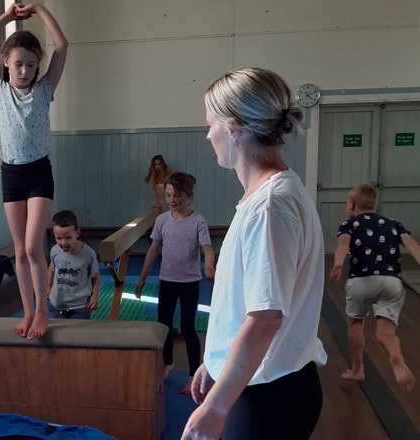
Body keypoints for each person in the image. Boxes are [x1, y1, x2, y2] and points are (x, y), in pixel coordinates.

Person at [182, 68, 327, 440]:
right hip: (261, 384)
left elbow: (264, 320)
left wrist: (216, 406)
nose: (207, 134)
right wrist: (214, 362)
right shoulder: (265, 197)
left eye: (211, 123)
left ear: (234, 128)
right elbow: (243, 303)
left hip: (269, 396)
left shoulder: (270, 207)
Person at [0, 2, 68, 339]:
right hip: (11, 175)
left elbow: (62, 45)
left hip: (39, 173)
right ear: (6, 63)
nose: (25, 71)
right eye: (18, 65)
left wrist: (40, 9)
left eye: (30, 65)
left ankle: (43, 310)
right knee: (18, 249)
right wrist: (8, 17)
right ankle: (28, 312)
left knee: (32, 247)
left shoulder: (44, 90)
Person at [329, 183, 419, 391]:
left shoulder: (348, 226)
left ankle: (357, 369)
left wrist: (338, 264)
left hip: (362, 281)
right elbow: (413, 246)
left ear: (351, 205)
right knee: (385, 332)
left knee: (356, 323)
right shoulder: (394, 224)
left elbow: (342, 246)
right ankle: (395, 357)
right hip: (391, 282)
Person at [134, 172, 215, 392]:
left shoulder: (198, 221)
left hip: (189, 282)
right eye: (168, 195)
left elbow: (207, 248)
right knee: (164, 325)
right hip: (167, 280)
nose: (172, 200)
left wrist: (209, 266)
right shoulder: (161, 220)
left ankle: (192, 375)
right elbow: (152, 251)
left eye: (177, 196)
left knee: (188, 327)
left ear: (189, 196)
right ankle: (167, 363)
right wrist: (142, 279)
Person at [46, 210, 100, 320]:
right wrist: (48, 286)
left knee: (77, 336)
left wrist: (94, 296)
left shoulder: (89, 254)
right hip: (57, 304)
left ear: (77, 233)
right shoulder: (54, 251)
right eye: (59, 238)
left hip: (80, 306)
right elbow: (52, 268)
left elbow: (96, 275)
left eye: (68, 237)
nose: (63, 243)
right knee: (59, 336)